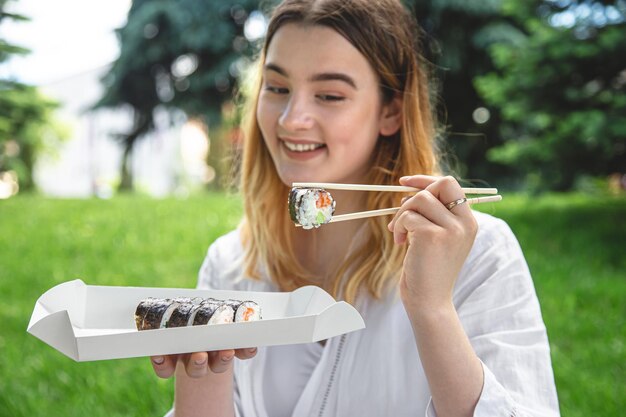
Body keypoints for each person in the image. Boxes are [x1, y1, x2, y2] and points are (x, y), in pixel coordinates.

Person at [152, 0, 560, 416]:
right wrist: (198, 368)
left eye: (329, 95)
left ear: (391, 111)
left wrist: (433, 308)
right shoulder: (230, 265)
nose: (292, 119)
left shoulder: (480, 253)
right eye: (277, 88)